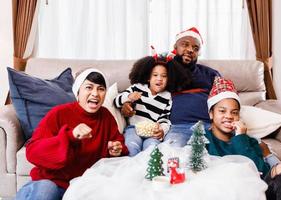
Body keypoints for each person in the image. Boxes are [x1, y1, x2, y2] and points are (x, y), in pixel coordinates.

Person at [15, 68, 128, 200]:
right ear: (78, 91)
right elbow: (32, 152)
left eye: (101, 89)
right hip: (52, 182)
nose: (95, 94)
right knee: (46, 191)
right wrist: (70, 136)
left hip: (84, 185)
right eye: (89, 87)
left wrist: (116, 149)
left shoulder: (106, 116)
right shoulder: (58, 114)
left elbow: (118, 144)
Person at [121, 27, 221, 147]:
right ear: (175, 47)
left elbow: (226, 97)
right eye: (185, 45)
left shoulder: (210, 74)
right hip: (178, 128)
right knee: (171, 154)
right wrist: (128, 104)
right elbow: (143, 91)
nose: (190, 50)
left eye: (195, 48)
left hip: (208, 126)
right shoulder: (164, 72)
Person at [205, 76, 281, 200]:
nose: (229, 116)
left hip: (257, 190)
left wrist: (240, 138)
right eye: (222, 111)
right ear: (211, 114)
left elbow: (260, 171)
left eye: (234, 112)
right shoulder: (203, 139)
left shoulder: (249, 140)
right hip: (225, 191)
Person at [114, 56, 175, 156]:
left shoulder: (167, 96)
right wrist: (129, 97)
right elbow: (116, 101)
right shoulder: (137, 87)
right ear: (148, 78)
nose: (159, 79)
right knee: (131, 146)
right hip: (134, 128)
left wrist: (162, 131)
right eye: (155, 75)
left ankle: (146, 170)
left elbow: (164, 119)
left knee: (152, 149)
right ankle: (130, 168)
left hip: (152, 133)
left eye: (164, 76)